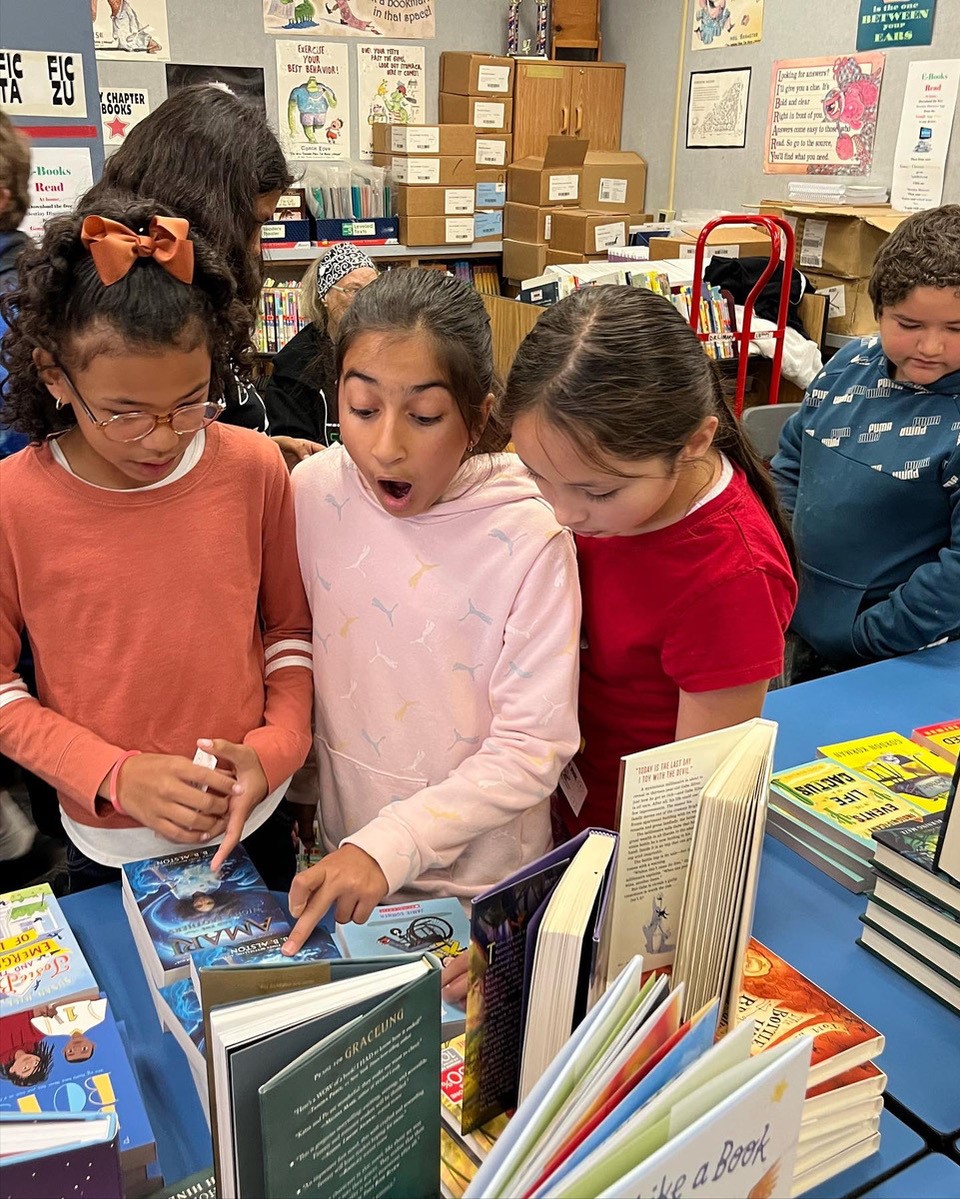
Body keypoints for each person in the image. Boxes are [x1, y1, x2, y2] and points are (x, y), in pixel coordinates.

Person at [0, 195, 313, 892]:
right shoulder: (14, 501)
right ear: (55, 375)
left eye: (191, 402)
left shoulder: (253, 470)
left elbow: (290, 633)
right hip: (105, 845)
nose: (166, 437)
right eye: (126, 415)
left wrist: (275, 748)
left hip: (253, 826)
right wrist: (113, 774)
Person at [282, 268, 581, 959]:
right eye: (361, 409)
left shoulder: (532, 537)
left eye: (422, 417)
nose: (386, 446)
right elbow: (307, 649)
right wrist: (304, 786)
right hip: (351, 871)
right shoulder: (314, 492)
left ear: (480, 414)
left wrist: (390, 845)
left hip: (482, 892)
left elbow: (533, 746)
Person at [501, 286, 797, 837]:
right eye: (538, 474)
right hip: (555, 799)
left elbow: (702, 793)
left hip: (635, 840)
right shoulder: (599, 474)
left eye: (598, 492)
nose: (564, 513)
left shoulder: (731, 578)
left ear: (693, 442)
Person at [77, 86, 320, 466]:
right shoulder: (122, 310)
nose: (254, 248)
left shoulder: (199, 295)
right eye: (250, 225)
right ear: (206, 211)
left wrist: (258, 449)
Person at [771, 204, 960, 677]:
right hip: (798, 613)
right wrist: (785, 553)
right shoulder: (852, 363)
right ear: (877, 312)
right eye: (909, 325)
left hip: (897, 649)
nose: (930, 346)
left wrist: (867, 636)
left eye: (956, 329)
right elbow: (795, 455)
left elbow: (956, 575)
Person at [262, 243, 376, 446]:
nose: (366, 300)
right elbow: (295, 445)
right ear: (324, 296)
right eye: (353, 290)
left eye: (373, 290)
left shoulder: (389, 349)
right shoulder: (295, 366)